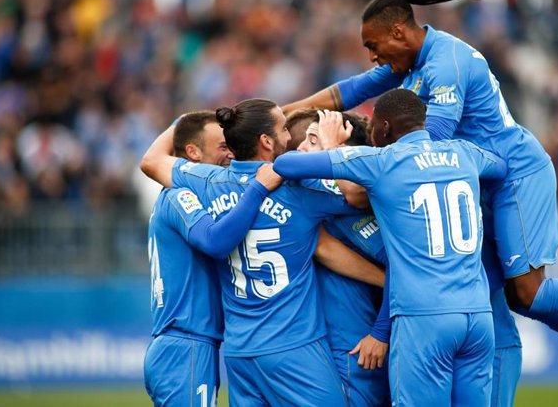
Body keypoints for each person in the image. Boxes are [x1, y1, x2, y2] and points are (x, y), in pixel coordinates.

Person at [282, 0, 558, 404]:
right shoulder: (409, 63)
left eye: (373, 46)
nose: (371, 57)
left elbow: (431, 147)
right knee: (500, 294)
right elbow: (348, 90)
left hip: (514, 173)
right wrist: (287, 111)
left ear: (397, 31)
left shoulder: (446, 63)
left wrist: (362, 173)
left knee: (527, 291)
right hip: (479, 178)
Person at [276, 89, 506, 406]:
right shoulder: (464, 153)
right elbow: (501, 167)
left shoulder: (383, 162)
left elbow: (286, 165)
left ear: (384, 127)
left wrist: (330, 145)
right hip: (478, 316)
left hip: (424, 317)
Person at [157, 98, 375, 406]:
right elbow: (358, 196)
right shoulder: (298, 188)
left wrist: (181, 118)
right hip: (293, 347)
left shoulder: (206, 181)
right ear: (266, 141)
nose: (291, 139)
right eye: (285, 129)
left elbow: (152, 162)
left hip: (239, 352)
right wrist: (330, 145)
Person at [140, 111, 282, 406]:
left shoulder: (193, 197)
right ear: (192, 152)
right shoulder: (178, 194)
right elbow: (214, 241)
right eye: (222, 146)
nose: (231, 153)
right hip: (185, 345)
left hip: (190, 345)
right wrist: (257, 189)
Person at [294, 111, 392, 406]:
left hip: (355, 343)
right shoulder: (317, 201)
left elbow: (403, 270)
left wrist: (381, 333)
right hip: (320, 344)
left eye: (313, 141)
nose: (300, 149)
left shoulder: (360, 209)